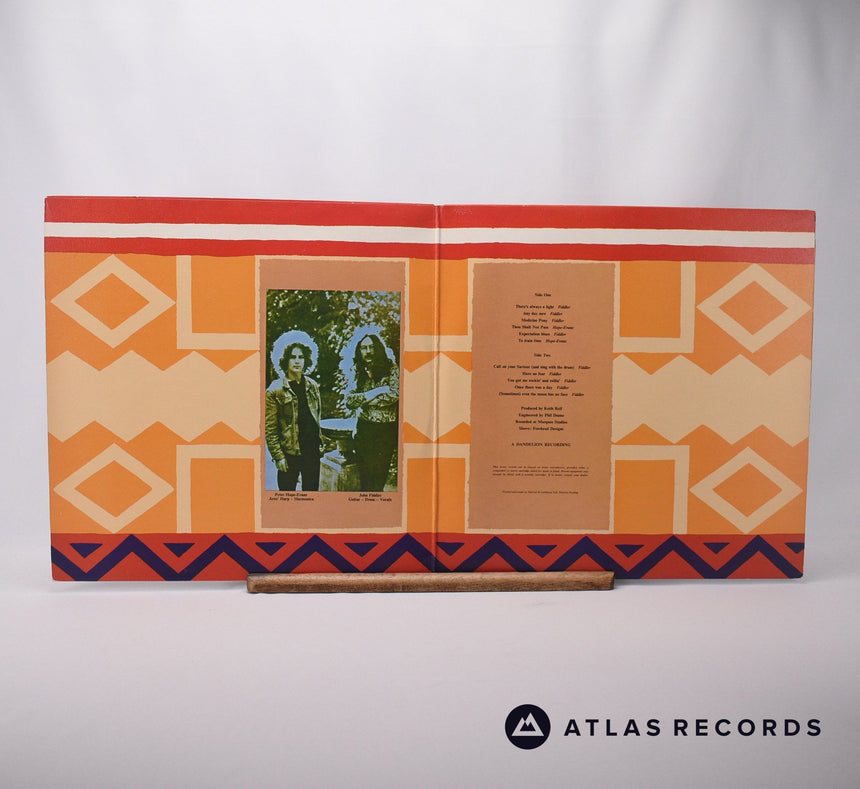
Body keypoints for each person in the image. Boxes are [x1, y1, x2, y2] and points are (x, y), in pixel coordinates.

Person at [341, 328, 399, 491]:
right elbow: (349, 400)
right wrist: (377, 391)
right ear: (359, 350)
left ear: (378, 348)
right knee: (365, 479)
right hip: (365, 429)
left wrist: (364, 400)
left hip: (386, 430)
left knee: (379, 478)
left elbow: (395, 394)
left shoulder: (391, 367)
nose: (368, 351)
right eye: (364, 348)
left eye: (371, 347)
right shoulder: (357, 370)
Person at [265, 331, 322, 491]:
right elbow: (270, 429)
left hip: (312, 453)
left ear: (307, 359)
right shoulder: (275, 390)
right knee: (287, 499)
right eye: (293, 357)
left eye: (301, 357)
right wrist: (279, 457)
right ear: (284, 359)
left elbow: (317, 417)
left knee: (311, 498)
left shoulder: (313, 386)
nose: (297, 361)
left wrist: (320, 444)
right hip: (290, 455)